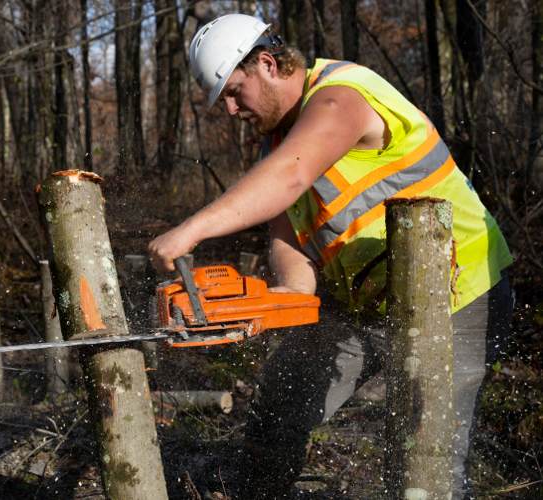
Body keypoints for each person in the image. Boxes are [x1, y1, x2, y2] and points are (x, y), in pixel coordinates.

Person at [147, 13, 514, 500]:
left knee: (427, 452)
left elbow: (289, 179)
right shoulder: (281, 138)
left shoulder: (343, 95)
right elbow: (285, 231)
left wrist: (189, 230)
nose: (232, 110)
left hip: (458, 294)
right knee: (285, 392)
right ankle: (254, 491)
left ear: (267, 63)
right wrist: (291, 292)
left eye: (235, 92)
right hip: (370, 302)